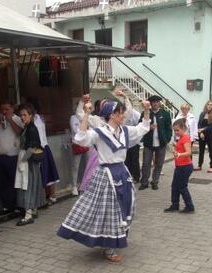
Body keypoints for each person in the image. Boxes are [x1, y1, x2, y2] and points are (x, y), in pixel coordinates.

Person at [57, 99, 150, 262]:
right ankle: (109, 248)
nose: (123, 115)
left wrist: (147, 110)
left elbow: (143, 127)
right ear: (111, 115)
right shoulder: (99, 133)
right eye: (120, 112)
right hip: (106, 175)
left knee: (124, 208)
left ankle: (114, 241)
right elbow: (80, 138)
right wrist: (86, 113)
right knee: (110, 211)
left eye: (122, 112)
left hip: (122, 172)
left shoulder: (125, 131)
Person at [0, 101, 23, 215]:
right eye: (2, 109)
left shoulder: (17, 119)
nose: (4, 112)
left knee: (14, 182)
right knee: (2, 183)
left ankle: (18, 205)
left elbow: (20, 132)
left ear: (12, 109)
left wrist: (10, 119)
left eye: (7, 109)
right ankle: (7, 206)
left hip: (13, 156)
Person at [14, 104, 47, 226]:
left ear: (31, 116)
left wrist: (23, 159)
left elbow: (32, 147)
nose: (22, 117)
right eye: (21, 115)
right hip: (29, 161)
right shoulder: (28, 127)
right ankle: (33, 210)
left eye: (25, 115)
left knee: (26, 186)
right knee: (32, 185)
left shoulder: (31, 128)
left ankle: (28, 215)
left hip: (28, 161)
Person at [30, 99, 60, 205]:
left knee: (43, 173)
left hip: (40, 148)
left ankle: (46, 197)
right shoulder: (40, 118)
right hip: (44, 147)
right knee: (48, 172)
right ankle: (50, 195)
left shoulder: (36, 120)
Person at [139, 95, 172, 190]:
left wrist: (167, 139)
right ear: (150, 103)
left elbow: (169, 128)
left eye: (157, 102)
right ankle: (144, 182)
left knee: (159, 163)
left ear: (159, 103)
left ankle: (155, 182)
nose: (155, 103)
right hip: (148, 143)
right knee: (146, 163)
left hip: (161, 143)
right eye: (153, 102)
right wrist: (149, 128)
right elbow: (139, 126)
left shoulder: (165, 114)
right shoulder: (145, 113)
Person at [164, 118, 195, 213]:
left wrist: (179, 154)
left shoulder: (185, 138)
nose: (176, 132)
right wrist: (175, 145)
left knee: (182, 186)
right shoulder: (181, 138)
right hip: (179, 166)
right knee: (175, 186)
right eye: (174, 130)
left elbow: (189, 152)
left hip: (185, 167)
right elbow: (180, 148)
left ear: (183, 129)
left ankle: (190, 206)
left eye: (177, 130)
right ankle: (175, 205)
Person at [119, 90, 142, 184]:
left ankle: (136, 177)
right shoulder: (122, 115)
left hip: (134, 141)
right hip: (124, 142)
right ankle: (128, 176)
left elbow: (139, 127)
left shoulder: (136, 114)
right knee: (126, 160)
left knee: (134, 160)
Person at [194, 100, 212, 173]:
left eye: (211, 105)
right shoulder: (202, 114)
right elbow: (199, 124)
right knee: (201, 150)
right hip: (201, 134)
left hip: (210, 134)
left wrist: (202, 129)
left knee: (211, 150)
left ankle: (211, 166)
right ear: (206, 105)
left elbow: (211, 126)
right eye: (208, 104)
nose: (209, 106)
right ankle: (199, 165)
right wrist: (200, 132)